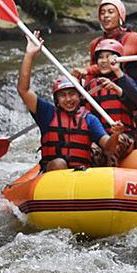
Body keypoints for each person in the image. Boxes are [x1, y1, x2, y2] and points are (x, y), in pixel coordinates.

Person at [18, 31, 124, 172]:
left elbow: (108, 148)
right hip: (52, 175)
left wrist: (116, 134)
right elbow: (23, 90)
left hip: (79, 176)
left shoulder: (89, 119)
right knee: (59, 164)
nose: (68, 99)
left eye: (72, 94)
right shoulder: (46, 113)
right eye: (63, 95)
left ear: (80, 97)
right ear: (56, 99)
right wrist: (29, 55)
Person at [85, 38, 137, 166]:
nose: (104, 61)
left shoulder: (126, 82)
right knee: (88, 151)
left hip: (124, 136)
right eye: (100, 57)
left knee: (113, 147)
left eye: (108, 57)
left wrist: (116, 88)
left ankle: (111, 180)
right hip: (100, 137)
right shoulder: (91, 85)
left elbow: (136, 104)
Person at [73, 0, 137, 88]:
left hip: (130, 88)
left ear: (120, 15)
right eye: (102, 13)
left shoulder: (132, 37)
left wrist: (88, 70)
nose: (106, 16)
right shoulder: (95, 43)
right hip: (105, 87)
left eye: (110, 12)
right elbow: (91, 76)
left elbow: (116, 61)